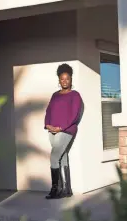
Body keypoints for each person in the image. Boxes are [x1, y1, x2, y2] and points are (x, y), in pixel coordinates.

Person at [44, 63, 82, 199]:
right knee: (62, 156)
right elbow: (48, 111)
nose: (64, 81)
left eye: (67, 78)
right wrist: (48, 125)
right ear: (59, 80)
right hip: (52, 131)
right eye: (62, 78)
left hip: (66, 131)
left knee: (54, 157)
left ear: (71, 79)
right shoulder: (55, 95)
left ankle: (56, 189)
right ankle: (67, 189)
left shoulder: (75, 95)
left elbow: (74, 114)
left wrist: (61, 128)